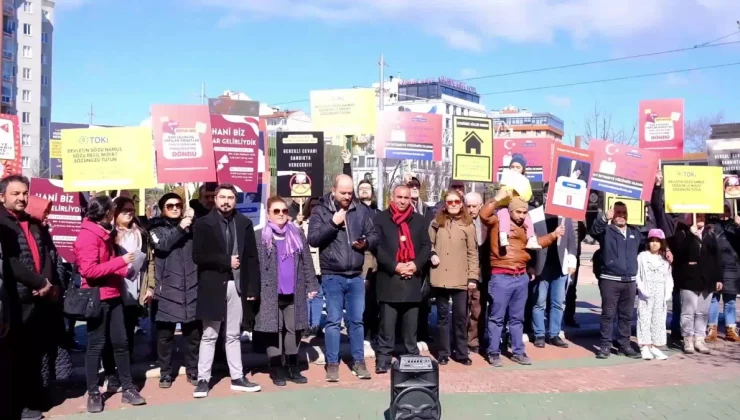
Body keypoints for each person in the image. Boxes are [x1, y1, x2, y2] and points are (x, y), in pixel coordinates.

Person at [74, 195, 146, 413]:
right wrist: (121, 262)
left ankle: (128, 387)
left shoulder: (107, 234)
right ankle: (94, 393)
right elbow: (89, 271)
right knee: (95, 346)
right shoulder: (88, 236)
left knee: (122, 343)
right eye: (112, 210)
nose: (114, 214)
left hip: (114, 295)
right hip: (97, 297)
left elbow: (108, 264)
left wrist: (126, 270)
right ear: (105, 213)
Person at [479, 189, 564, 367]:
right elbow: (484, 214)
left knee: (517, 319)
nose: (521, 215)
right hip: (501, 275)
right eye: (518, 212)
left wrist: (554, 235)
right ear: (510, 210)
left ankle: (518, 351)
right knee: (497, 318)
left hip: (521, 276)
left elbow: (536, 243)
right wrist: (498, 198)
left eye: (524, 212)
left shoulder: (527, 226)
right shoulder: (497, 221)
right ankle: (493, 352)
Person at [192, 183, 261, 398]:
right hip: (212, 285)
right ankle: (203, 379)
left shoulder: (244, 223)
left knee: (233, 335)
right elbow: (198, 256)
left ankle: (237, 376)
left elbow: (251, 258)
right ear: (215, 199)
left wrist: (252, 288)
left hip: (237, 286)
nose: (226, 201)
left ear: (235, 200)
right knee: (209, 334)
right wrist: (225, 261)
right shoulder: (203, 224)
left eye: (230, 197)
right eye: (222, 197)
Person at [308, 174, 378, 382]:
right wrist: (333, 222)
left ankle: (359, 361)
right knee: (333, 321)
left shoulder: (361, 210)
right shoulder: (320, 210)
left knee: (357, 321)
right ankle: (332, 363)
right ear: (334, 190)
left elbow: (374, 235)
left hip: (356, 275)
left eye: (350, 192)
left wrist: (365, 243)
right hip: (332, 275)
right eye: (343, 193)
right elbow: (313, 239)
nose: (348, 196)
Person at [0, 176, 58, 419]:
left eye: (24, 193)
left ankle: (32, 400)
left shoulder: (33, 222)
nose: (22, 198)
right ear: (2, 197)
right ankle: (15, 406)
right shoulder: (2, 224)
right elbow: (10, 263)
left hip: (37, 299)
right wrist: (38, 282)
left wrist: (45, 283)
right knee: (12, 358)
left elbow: (44, 254)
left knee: (32, 355)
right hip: (13, 301)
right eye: (15, 194)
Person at [255, 197, 319, 386]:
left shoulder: (297, 233)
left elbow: (306, 261)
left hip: (295, 290)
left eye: (284, 210)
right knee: (274, 329)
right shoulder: (260, 236)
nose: (281, 214)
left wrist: (312, 284)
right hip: (269, 292)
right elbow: (254, 265)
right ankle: (276, 368)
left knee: (294, 329)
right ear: (268, 214)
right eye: (276, 211)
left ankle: (292, 366)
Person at [373, 185, 431, 374]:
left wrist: (415, 265)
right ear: (393, 196)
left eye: (406, 197)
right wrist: (395, 266)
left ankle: (411, 356)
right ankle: (383, 358)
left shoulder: (420, 220)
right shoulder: (380, 218)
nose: (403, 201)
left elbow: (425, 246)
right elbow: (377, 247)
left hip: (412, 278)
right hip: (389, 278)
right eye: (399, 197)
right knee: (387, 326)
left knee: (410, 326)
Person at [148, 193, 201, 388]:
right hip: (167, 289)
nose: (175, 208)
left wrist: (193, 221)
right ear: (162, 209)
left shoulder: (191, 225)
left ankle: (192, 370)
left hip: (191, 287)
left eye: (178, 205)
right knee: (165, 336)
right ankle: (165, 373)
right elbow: (162, 245)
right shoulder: (154, 227)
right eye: (170, 206)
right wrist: (181, 226)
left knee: (192, 335)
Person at [100, 196, 149, 392]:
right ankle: (111, 375)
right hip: (113, 289)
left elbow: (149, 262)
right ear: (115, 213)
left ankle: (124, 374)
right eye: (124, 210)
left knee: (127, 335)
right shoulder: (109, 234)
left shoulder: (141, 233)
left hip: (134, 290)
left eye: (131, 209)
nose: (129, 213)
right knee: (109, 337)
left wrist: (148, 287)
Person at [429, 188, 478, 365]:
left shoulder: (469, 225)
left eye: (456, 202)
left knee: (460, 317)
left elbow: (473, 253)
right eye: (449, 202)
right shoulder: (436, 223)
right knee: (442, 317)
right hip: (441, 275)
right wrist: (432, 253)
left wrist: (472, 277)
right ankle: (443, 352)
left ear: (461, 203)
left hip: (460, 278)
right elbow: (428, 243)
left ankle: (462, 352)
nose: (453, 205)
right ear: (445, 204)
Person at [590, 202, 644, 359]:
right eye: (618, 212)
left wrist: (666, 250)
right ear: (613, 214)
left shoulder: (635, 232)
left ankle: (624, 344)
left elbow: (648, 244)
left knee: (626, 315)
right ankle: (605, 345)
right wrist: (604, 217)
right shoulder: (606, 231)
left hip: (629, 281)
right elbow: (594, 230)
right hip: (610, 279)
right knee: (608, 314)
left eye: (624, 213)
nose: (621, 216)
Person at [530, 183, 577, 349]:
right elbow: (530, 240)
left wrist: (572, 262)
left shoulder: (565, 216)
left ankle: (554, 334)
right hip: (542, 266)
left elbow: (572, 240)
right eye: (549, 193)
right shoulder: (534, 214)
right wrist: (531, 266)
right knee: (539, 301)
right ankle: (539, 334)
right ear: (544, 195)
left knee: (557, 302)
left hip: (560, 266)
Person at [671, 213, 722, 354]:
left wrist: (718, 278)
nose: (700, 219)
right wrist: (690, 235)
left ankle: (700, 338)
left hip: (707, 280)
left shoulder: (710, 234)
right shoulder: (682, 233)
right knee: (688, 312)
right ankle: (688, 338)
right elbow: (680, 254)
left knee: (702, 312)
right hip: (689, 279)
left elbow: (716, 257)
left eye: (701, 216)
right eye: (696, 216)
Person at [635, 229, 673, 360]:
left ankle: (655, 346)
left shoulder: (664, 260)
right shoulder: (642, 257)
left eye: (657, 241)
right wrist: (642, 289)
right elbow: (638, 275)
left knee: (658, 319)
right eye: (652, 241)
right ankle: (644, 346)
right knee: (644, 318)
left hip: (660, 293)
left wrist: (667, 293)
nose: (654, 244)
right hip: (646, 293)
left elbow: (668, 277)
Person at [707, 206, 740, 343]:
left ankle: (730, 329)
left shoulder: (735, 226)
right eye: (721, 210)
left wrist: (739, 226)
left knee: (730, 301)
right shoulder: (711, 226)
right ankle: (712, 328)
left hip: (733, 266)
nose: (724, 213)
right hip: (715, 266)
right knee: (713, 298)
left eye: (726, 210)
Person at [294, 197, 323, 338]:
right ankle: (305, 325)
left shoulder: (324, 223)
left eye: (317, 205)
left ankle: (315, 325)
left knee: (318, 295)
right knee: (306, 295)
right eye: (312, 205)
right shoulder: (302, 223)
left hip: (321, 264)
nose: (314, 208)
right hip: (306, 264)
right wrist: (297, 223)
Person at [464, 192, 489, 354]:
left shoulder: (488, 223)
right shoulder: (459, 222)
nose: (471, 209)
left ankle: (474, 341)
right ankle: (460, 340)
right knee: (462, 310)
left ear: (481, 206)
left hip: (481, 273)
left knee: (477, 309)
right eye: (468, 206)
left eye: (475, 206)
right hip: (462, 272)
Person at [496, 154, 535, 247]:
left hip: (518, 206)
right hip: (505, 205)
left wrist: (524, 197)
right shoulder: (506, 178)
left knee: (527, 219)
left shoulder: (525, 181)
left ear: (522, 169)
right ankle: (503, 235)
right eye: (512, 166)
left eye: (518, 167)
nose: (515, 169)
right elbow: (502, 190)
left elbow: (528, 192)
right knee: (504, 215)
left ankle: (531, 238)